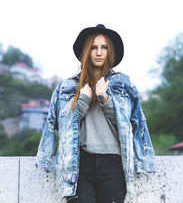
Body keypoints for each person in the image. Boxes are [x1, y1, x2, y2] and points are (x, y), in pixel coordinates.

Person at [35, 24, 156, 203]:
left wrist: (104, 99)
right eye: (93, 47)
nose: (99, 52)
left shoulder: (124, 84)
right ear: (86, 51)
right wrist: (83, 99)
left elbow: (132, 125)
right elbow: (61, 125)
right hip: (79, 165)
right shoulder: (67, 86)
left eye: (104, 47)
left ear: (110, 51)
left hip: (113, 164)